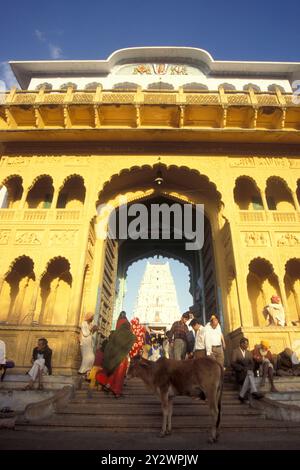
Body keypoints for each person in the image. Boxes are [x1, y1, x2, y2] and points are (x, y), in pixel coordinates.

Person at [96, 311, 135, 398]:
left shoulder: (114, 333)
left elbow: (109, 347)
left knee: (112, 371)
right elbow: (131, 344)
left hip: (113, 356)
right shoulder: (130, 335)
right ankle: (116, 391)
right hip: (122, 358)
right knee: (119, 375)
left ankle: (108, 385)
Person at [231, 337, 264, 403]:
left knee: (249, 374)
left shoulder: (249, 353)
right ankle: (253, 391)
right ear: (241, 344)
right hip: (239, 372)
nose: (247, 345)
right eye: (246, 344)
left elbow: (252, 363)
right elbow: (232, 363)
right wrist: (242, 368)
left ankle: (242, 395)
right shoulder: (235, 351)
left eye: (247, 344)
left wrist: (249, 368)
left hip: (247, 372)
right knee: (250, 374)